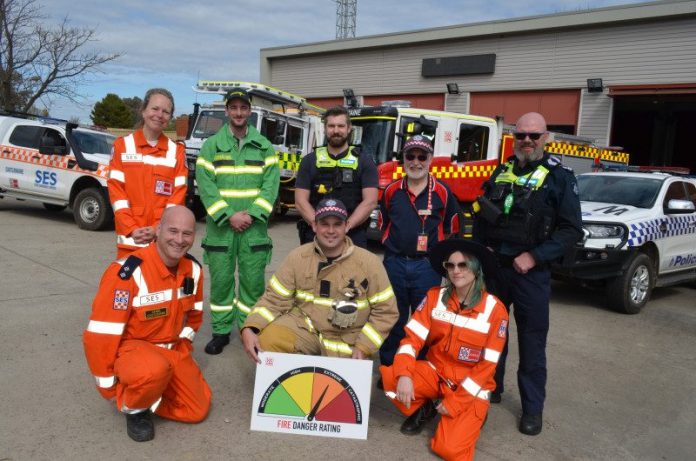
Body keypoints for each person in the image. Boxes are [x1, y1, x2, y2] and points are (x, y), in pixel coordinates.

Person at [472, 112, 582, 436]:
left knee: (532, 343)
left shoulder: (560, 177)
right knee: (492, 337)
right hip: (496, 270)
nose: (528, 142)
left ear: (545, 137)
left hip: (531, 274)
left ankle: (532, 409)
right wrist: (481, 251)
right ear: (514, 138)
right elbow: (480, 215)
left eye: (534, 136)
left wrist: (534, 256)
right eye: (521, 136)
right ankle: (492, 387)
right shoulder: (501, 171)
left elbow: (571, 230)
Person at [83, 206, 211, 442]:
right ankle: (133, 406)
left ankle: (150, 393)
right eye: (172, 231)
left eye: (187, 234)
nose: (179, 240)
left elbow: (194, 315)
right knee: (152, 370)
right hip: (135, 349)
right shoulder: (126, 273)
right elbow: (101, 334)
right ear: (159, 230)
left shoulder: (193, 269)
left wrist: (183, 345)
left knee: (197, 409)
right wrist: (108, 387)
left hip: (172, 349)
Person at [380, 239, 508, 461]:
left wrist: (456, 402)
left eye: (463, 265)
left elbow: (487, 367)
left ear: (476, 269)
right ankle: (428, 405)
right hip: (436, 373)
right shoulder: (434, 297)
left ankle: (473, 413)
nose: (456, 271)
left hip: (468, 386)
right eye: (451, 265)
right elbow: (411, 340)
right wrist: (403, 375)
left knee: (448, 450)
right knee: (391, 380)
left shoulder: (495, 310)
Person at [240, 198, 398, 363]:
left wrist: (364, 346)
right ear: (314, 226)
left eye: (337, 224)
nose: (331, 230)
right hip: (305, 330)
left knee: (337, 388)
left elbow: (386, 312)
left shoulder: (369, 263)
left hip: (347, 342)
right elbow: (273, 299)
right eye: (324, 224)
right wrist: (251, 327)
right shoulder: (297, 257)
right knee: (267, 341)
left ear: (347, 226)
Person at [195, 87, 280, 355]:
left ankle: (249, 330)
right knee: (221, 282)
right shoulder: (211, 147)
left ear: (250, 111)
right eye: (234, 108)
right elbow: (206, 186)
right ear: (227, 111)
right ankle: (221, 332)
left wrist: (251, 215)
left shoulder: (265, 147)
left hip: (253, 230)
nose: (239, 112)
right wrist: (228, 216)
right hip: (221, 229)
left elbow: (270, 187)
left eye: (244, 108)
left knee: (253, 283)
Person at [378, 134, 461, 371]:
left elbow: (452, 228)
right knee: (392, 318)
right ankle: (389, 367)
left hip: (427, 267)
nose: (416, 162)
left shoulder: (444, 192)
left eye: (421, 156)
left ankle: (420, 369)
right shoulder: (392, 190)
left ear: (430, 159)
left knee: (424, 321)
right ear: (403, 159)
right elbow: (384, 223)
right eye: (410, 156)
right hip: (394, 263)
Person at [107, 88, 188, 259]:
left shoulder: (177, 152)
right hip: (130, 243)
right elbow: (117, 195)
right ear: (143, 111)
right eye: (155, 108)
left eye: (166, 112)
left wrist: (157, 228)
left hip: (163, 244)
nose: (160, 115)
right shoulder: (122, 146)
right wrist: (131, 228)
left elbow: (177, 198)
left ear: (170, 118)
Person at [294, 105, 378, 248]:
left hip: (352, 235)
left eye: (341, 126)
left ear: (349, 128)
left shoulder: (365, 162)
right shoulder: (309, 161)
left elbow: (370, 202)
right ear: (325, 128)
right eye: (331, 126)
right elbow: (300, 201)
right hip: (315, 235)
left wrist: (346, 226)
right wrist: (319, 226)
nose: (336, 131)